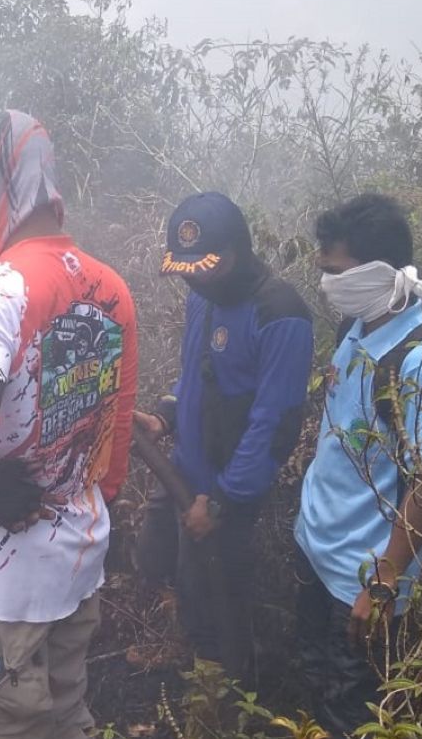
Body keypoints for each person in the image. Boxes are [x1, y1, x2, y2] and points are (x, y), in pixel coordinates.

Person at [0, 109, 138, 739]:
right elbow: (114, 453)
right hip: (76, 565)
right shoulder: (111, 286)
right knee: (65, 716)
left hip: (0, 590)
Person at [295, 193, 422, 739]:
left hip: (362, 583)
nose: (328, 284)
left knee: (352, 723)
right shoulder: (360, 327)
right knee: (314, 705)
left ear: (379, 271)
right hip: (319, 556)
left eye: (337, 272)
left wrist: (385, 580)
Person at [130, 192, 313, 682]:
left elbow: (275, 424)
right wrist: (165, 416)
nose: (194, 276)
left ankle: (215, 705)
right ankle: (180, 642)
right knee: (155, 560)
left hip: (222, 492)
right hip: (181, 472)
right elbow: (197, 376)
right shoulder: (202, 297)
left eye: (205, 266)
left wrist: (221, 501)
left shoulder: (279, 312)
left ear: (237, 251)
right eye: (186, 267)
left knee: (214, 604)